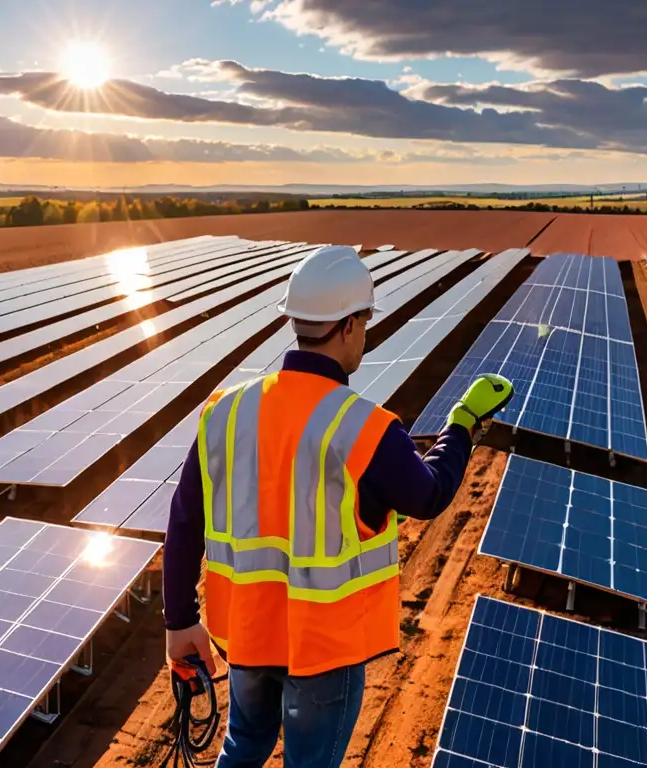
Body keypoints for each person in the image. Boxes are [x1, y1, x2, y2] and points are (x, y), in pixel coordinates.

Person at [162, 244, 515, 767]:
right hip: (324, 651)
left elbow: (185, 517)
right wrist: (461, 426)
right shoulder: (363, 426)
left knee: (243, 745)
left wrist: (179, 621)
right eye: (366, 321)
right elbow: (429, 493)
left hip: (248, 634)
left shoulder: (227, 411)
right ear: (350, 325)